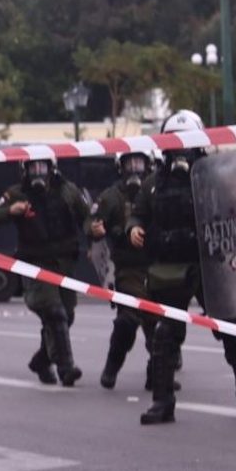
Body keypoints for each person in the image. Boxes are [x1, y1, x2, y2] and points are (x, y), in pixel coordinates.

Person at [126, 112, 236, 424]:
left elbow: (232, 216)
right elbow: (137, 214)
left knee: (231, 330)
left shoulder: (212, 179)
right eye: (174, 145)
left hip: (208, 266)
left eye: (186, 145)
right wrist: (133, 228)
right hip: (170, 267)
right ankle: (162, 403)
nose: (180, 152)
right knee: (164, 335)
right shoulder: (153, 185)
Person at [0, 158, 90, 386]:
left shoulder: (67, 190)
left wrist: (93, 230)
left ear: (51, 169)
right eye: (32, 168)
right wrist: (10, 210)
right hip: (35, 265)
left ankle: (41, 362)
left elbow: (86, 217)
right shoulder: (16, 193)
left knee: (67, 316)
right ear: (24, 170)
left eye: (42, 167)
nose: (37, 172)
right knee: (54, 313)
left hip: (63, 264)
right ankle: (66, 369)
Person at [90, 150, 156, 389]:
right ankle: (112, 366)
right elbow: (93, 220)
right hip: (128, 269)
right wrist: (96, 229)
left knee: (160, 327)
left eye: (140, 163)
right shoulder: (111, 197)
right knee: (127, 321)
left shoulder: (157, 191)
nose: (135, 169)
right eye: (130, 163)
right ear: (121, 167)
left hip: (158, 268)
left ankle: (159, 375)